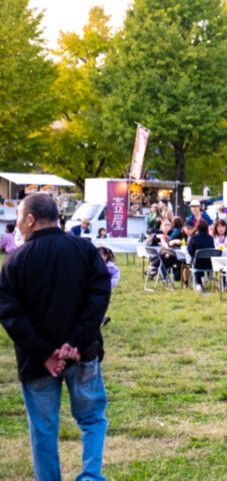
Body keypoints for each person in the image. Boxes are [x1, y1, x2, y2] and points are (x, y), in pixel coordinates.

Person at [0, 193, 111, 481]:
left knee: (44, 430)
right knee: (92, 419)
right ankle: (91, 476)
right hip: (82, 353)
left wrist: (45, 353)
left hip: (37, 362)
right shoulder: (84, 250)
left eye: (18, 219)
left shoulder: (15, 261)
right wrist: (75, 341)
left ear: (30, 219)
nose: (17, 225)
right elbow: (98, 297)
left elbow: (11, 315)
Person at [186, 218, 215, 290]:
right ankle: (205, 278)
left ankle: (199, 283)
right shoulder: (210, 238)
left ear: (197, 227)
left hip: (197, 263)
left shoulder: (193, 238)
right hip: (209, 264)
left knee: (195, 260)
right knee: (198, 260)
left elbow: (190, 250)